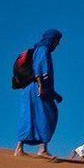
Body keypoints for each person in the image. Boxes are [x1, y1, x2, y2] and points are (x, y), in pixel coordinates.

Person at [15, 29, 64, 159]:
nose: (57, 44)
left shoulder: (39, 49)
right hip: (38, 88)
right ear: (51, 39)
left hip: (31, 88)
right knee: (48, 114)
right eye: (56, 41)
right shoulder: (43, 49)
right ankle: (42, 149)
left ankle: (19, 148)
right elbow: (40, 69)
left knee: (30, 116)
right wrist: (41, 87)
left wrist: (54, 94)